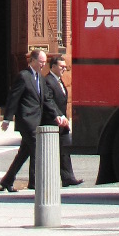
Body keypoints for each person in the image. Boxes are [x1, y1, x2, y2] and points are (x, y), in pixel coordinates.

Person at [0, 46, 46, 192]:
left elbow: (45, 100)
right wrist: (7, 119)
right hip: (26, 121)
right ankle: (34, 182)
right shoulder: (23, 76)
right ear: (33, 61)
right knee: (37, 148)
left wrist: (57, 116)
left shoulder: (40, 78)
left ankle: (7, 180)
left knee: (24, 152)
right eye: (41, 62)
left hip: (36, 120)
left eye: (44, 62)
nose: (43, 65)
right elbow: (14, 98)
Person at [43, 53, 81, 187]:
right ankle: (40, 179)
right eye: (61, 66)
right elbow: (49, 101)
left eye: (65, 66)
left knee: (65, 150)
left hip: (62, 122)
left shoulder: (59, 81)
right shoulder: (48, 81)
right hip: (54, 121)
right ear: (53, 66)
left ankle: (68, 177)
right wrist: (59, 116)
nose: (64, 69)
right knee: (50, 153)